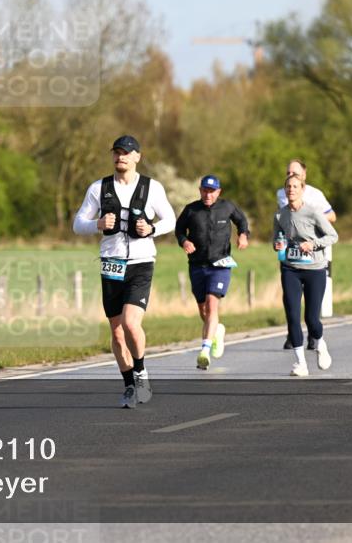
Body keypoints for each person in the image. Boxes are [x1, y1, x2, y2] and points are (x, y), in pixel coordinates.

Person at [73, 135, 176, 409]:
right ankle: (129, 384)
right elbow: (77, 223)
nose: (121, 157)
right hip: (111, 263)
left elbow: (171, 220)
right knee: (117, 333)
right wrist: (97, 223)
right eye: (117, 153)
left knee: (131, 323)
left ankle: (141, 372)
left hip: (141, 262)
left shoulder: (152, 188)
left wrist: (152, 229)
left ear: (137, 157)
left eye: (126, 153)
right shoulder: (99, 188)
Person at [174, 175, 250, 370]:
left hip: (220, 264)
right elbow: (179, 230)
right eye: (205, 190)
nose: (208, 194)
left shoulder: (227, 207)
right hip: (197, 265)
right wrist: (184, 241)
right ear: (200, 191)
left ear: (218, 192)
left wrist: (243, 235)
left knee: (211, 304)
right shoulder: (191, 209)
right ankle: (217, 330)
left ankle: (205, 350)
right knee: (203, 310)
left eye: (212, 191)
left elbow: (242, 221)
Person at [272, 173, 338, 376]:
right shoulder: (280, 215)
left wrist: (314, 244)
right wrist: (277, 245)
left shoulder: (314, 213)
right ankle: (300, 363)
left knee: (311, 319)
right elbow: (276, 239)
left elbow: (333, 236)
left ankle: (320, 343)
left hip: (314, 269)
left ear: (302, 189)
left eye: (295, 186)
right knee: (292, 315)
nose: (291, 189)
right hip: (290, 268)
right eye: (288, 187)